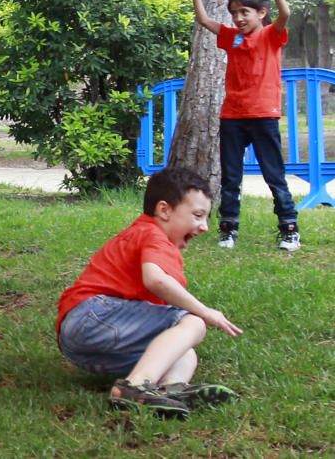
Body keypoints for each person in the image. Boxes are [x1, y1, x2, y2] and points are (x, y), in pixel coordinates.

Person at [56, 167, 242, 419]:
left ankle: (170, 389)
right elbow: (156, 281)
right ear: (164, 210)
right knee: (192, 323)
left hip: (81, 342)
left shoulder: (143, 234)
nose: (204, 227)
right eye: (198, 215)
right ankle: (135, 385)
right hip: (94, 315)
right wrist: (205, 312)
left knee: (183, 350)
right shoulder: (154, 235)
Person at [188, 0, 300, 252]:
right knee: (231, 177)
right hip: (233, 117)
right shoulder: (232, 38)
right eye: (234, 12)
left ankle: (289, 230)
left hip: (264, 116)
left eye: (244, 12)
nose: (238, 18)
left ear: (261, 13)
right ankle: (228, 230)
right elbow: (204, 20)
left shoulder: (271, 34)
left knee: (274, 176)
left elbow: (285, 14)